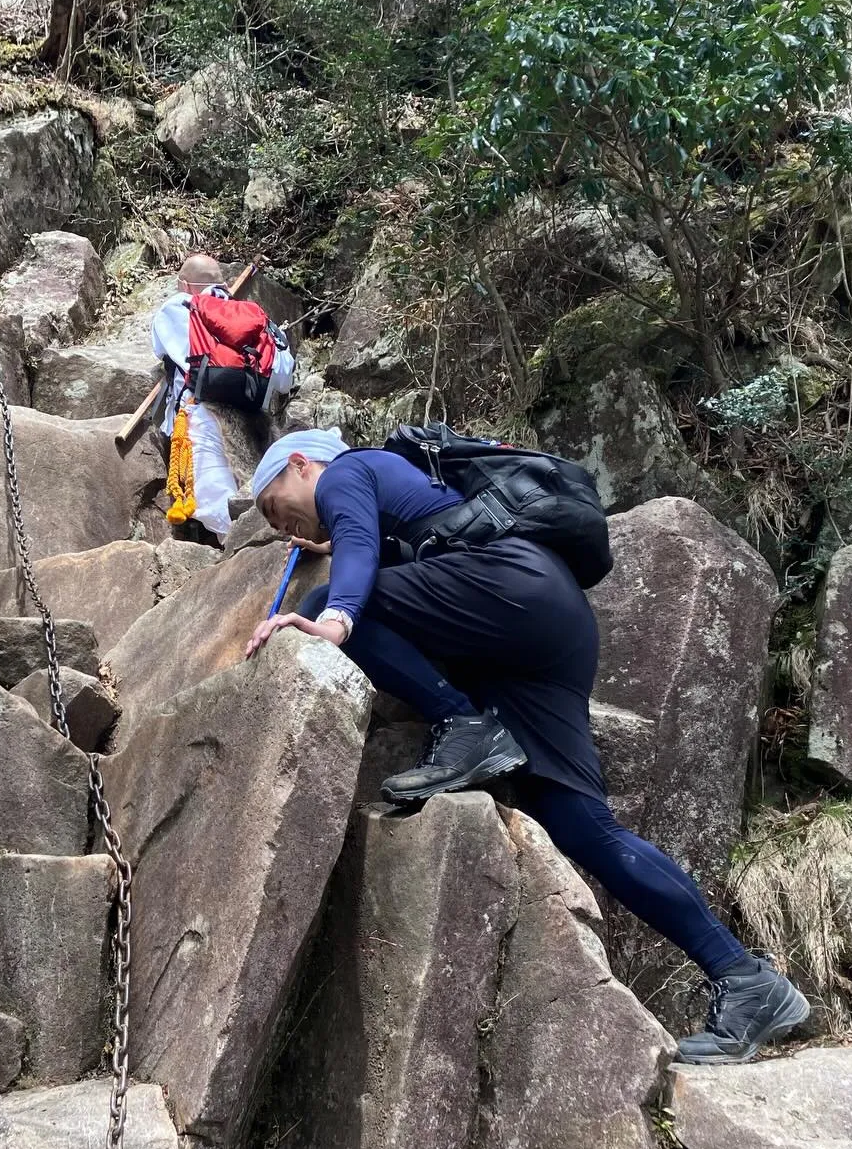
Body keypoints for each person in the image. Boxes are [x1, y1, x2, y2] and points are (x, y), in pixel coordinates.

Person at [243, 429, 810, 1065]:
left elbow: (356, 553)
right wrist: (352, 550)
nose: (275, 522)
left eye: (272, 504)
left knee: (328, 601)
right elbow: (377, 546)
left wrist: (335, 618)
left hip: (508, 585)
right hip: (548, 625)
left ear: (300, 464)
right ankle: (744, 978)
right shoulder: (400, 502)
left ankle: (462, 725)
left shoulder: (347, 472)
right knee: (585, 827)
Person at [150, 254, 295, 539]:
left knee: (213, 500)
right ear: (224, 284)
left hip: (202, 412)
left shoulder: (178, 308)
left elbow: (165, 351)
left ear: (184, 284)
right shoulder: (252, 315)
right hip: (254, 415)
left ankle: (242, 556)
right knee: (251, 490)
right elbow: (283, 370)